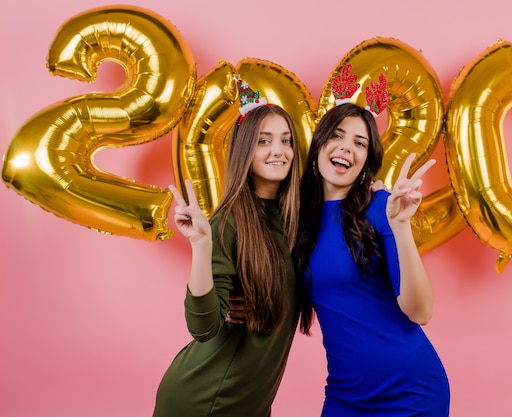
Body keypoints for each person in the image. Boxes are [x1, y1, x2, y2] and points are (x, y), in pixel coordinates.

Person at [294, 77, 450, 415]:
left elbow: (420, 311)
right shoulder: (297, 219)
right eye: (337, 136)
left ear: (366, 160)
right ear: (319, 144)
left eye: (360, 143)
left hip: (411, 392)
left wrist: (401, 226)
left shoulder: (381, 206)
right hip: (345, 395)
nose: (346, 148)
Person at [153, 101, 301, 417]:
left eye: (286, 140)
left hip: (251, 404)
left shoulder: (294, 219)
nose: (279, 150)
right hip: (205, 402)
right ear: (244, 149)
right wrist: (202, 246)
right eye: (264, 140)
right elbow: (204, 327)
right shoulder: (229, 222)